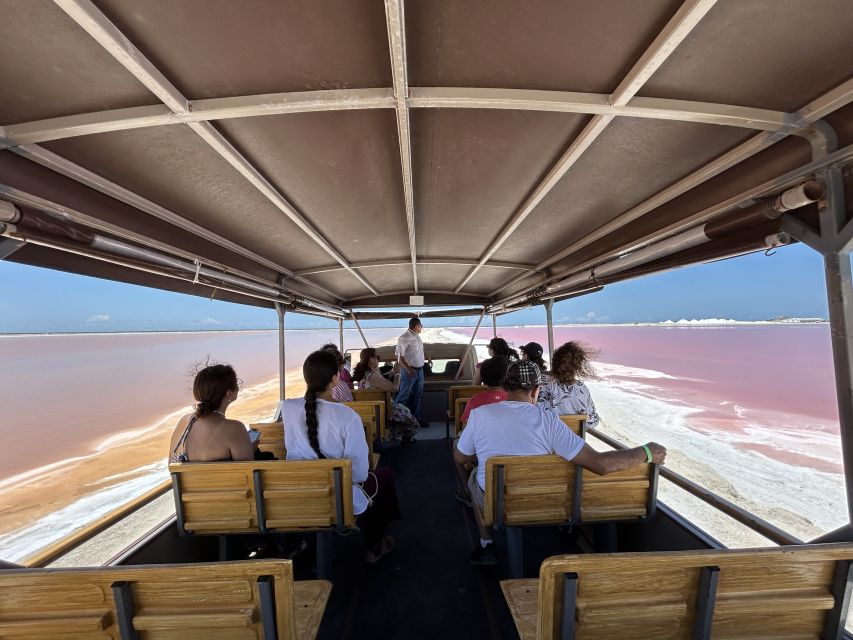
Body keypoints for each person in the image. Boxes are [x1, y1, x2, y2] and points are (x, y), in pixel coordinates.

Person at [454, 360, 666, 566]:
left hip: (496, 504)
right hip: (542, 500)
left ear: (507, 386)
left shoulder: (479, 415)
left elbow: (461, 457)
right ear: (536, 389)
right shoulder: (549, 421)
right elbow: (600, 464)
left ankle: (486, 543)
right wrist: (646, 451)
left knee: (475, 479)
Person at [282, 350, 401, 563]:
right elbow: (360, 472)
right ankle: (375, 544)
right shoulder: (347, 416)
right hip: (334, 492)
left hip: (295, 488)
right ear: (335, 378)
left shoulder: (288, 407)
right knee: (382, 479)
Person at [169, 364, 254, 463]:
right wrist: (250, 449)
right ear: (229, 393)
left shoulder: (184, 421)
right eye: (237, 383)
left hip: (187, 479)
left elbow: (171, 466)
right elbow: (248, 473)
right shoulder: (235, 428)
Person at [352, 347, 418, 443]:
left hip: (374, 407)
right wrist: (398, 374)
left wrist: (393, 371)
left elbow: (382, 380)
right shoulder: (372, 377)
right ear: (371, 359)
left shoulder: (366, 372)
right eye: (377, 357)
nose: (378, 360)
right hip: (384, 407)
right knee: (412, 420)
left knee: (403, 413)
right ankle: (404, 440)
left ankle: (395, 438)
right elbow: (395, 388)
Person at [538, 341, 600, 427]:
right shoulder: (582, 389)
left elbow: (538, 414)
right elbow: (593, 421)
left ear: (555, 364)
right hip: (574, 438)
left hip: (550, 437)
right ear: (577, 366)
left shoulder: (547, 387)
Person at [395, 316, 427, 426]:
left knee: (417, 396)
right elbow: (400, 357)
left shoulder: (417, 336)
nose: (421, 328)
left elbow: (417, 352)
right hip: (409, 371)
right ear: (416, 326)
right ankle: (398, 422)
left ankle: (416, 420)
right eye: (421, 326)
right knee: (403, 396)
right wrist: (409, 370)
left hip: (419, 370)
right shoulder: (404, 338)